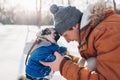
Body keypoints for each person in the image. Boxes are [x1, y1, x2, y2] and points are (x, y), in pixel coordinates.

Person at [40, 1, 120, 80]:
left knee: (91, 64)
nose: (67, 41)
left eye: (66, 35)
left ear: (75, 26)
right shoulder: (95, 31)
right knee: (89, 62)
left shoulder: (105, 32)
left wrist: (63, 66)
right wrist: (71, 61)